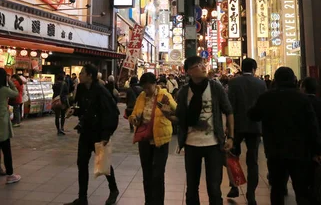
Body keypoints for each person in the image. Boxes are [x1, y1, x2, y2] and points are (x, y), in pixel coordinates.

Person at [249, 68, 321, 205]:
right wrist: (318, 149)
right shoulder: (302, 98)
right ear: (293, 79)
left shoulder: (267, 97)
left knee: (277, 188)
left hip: (275, 150)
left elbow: (253, 115)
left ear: (276, 80)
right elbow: (312, 126)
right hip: (299, 151)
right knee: (301, 189)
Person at [175, 56, 234, 205]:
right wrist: (167, 115)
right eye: (198, 65)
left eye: (203, 64)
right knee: (192, 188)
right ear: (188, 71)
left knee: (214, 188)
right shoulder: (184, 92)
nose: (202, 67)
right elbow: (181, 118)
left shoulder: (215, 87)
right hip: (191, 144)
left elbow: (229, 111)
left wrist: (231, 137)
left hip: (213, 144)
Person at [64, 64, 120, 205]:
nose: (80, 75)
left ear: (90, 75)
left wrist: (106, 135)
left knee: (103, 163)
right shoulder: (82, 88)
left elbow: (112, 113)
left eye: (82, 73)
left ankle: (113, 190)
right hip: (86, 132)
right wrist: (74, 111)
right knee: (81, 163)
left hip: (99, 133)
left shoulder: (101, 90)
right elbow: (82, 107)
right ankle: (82, 198)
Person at [129, 72, 177, 205]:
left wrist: (167, 111)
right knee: (147, 173)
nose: (146, 90)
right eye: (144, 88)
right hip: (145, 139)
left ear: (155, 85)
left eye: (148, 87)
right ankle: (148, 201)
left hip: (161, 139)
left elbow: (176, 110)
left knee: (158, 174)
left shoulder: (164, 95)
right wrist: (135, 119)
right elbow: (133, 114)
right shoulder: (141, 96)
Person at [225, 58, 266, 203]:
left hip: (237, 125)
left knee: (233, 156)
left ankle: (235, 185)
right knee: (253, 160)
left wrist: (228, 127)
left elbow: (230, 106)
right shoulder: (261, 84)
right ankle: (251, 194)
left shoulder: (234, 82)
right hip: (255, 126)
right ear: (254, 69)